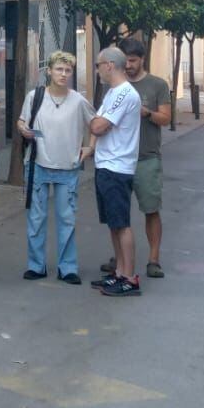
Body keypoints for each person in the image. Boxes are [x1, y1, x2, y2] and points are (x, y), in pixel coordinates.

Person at [16, 51, 90, 284]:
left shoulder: (78, 100)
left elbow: (96, 123)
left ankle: (67, 267)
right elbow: (21, 121)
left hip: (68, 166)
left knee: (66, 218)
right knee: (36, 218)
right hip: (37, 163)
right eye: (59, 69)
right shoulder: (35, 96)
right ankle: (36, 265)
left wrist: (90, 147)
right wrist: (23, 129)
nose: (63, 74)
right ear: (49, 71)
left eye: (68, 70)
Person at [88, 46, 143, 297]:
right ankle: (119, 272)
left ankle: (130, 278)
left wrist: (94, 123)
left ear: (109, 65)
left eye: (98, 65)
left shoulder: (125, 94)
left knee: (121, 223)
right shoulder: (112, 93)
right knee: (113, 223)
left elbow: (98, 126)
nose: (97, 70)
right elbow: (97, 123)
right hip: (105, 164)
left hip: (117, 166)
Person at [118, 38, 173, 280]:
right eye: (125, 61)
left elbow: (166, 118)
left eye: (132, 61)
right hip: (119, 159)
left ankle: (153, 259)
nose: (128, 65)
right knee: (118, 212)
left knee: (151, 209)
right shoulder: (116, 85)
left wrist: (148, 113)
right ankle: (120, 258)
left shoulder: (157, 85)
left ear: (142, 59)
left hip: (146, 158)